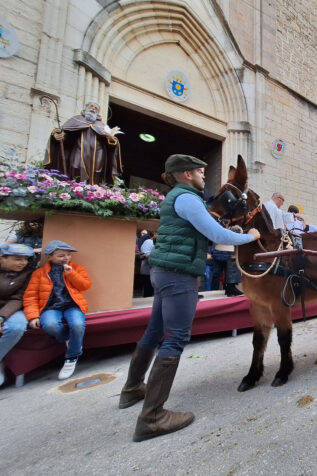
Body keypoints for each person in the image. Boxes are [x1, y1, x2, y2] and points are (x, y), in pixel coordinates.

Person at [119, 154, 260, 442]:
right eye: (199, 170)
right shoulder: (187, 198)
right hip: (178, 275)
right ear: (186, 174)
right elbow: (214, 232)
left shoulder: (178, 197)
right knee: (175, 338)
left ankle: (132, 389)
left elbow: (204, 230)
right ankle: (152, 417)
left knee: (154, 331)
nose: (203, 174)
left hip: (164, 271)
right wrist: (249, 236)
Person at [23, 240, 92, 380]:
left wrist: (71, 274)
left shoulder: (77, 268)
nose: (66, 258)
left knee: (78, 325)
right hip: (50, 307)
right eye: (61, 255)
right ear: (49, 257)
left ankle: (72, 357)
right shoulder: (39, 273)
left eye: (68, 255)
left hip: (72, 305)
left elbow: (85, 285)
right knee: (49, 325)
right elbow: (30, 296)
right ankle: (68, 339)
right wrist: (33, 316)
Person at [44, 101, 122, 184]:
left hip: (98, 154)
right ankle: (76, 189)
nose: (93, 109)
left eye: (96, 108)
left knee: (97, 172)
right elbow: (64, 133)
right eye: (91, 106)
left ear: (98, 112)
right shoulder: (76, 120)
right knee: (76, 167)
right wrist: (56, 134)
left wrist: (112, 140)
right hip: (79, 150)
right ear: (86, 108)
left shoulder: (102, 126)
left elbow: (111, 144)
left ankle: (93, 192)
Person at [0, 244, 35, 386]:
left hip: (13, 309)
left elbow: (19, 298)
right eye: (17, 259)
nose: (23, 263)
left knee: (17, 327)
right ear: (2, 258)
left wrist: (1, 318)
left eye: (26, 259)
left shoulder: (28, 274)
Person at [138, 231, 155, 297]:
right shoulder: (148, 242)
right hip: (148, 270)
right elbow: (144, 254)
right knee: (148, 288)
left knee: (149, 288)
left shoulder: (149, 242)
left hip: (150, 270)